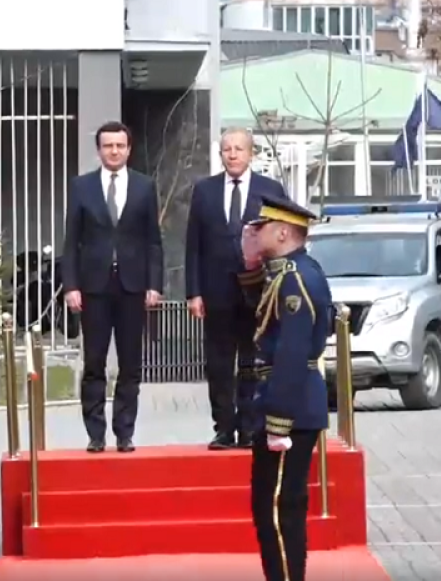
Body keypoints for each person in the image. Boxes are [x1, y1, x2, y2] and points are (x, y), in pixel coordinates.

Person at [61, 120, 164, 453]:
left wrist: (154, 284)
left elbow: (153, 241)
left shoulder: (145, 186)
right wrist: (71, 286)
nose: (114, 151)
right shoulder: (81, 187)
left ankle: (125, 433)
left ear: (128, 149)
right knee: (94, 362)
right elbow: (72, 241)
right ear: (100, 150)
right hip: (94, 287)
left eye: (120, 145)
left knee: (131, 364)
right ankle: (95, 433)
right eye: (108, 146)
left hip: (133, 286)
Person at [184, 127, 289, 450]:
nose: (232, 155)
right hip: (216, 293)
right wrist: (194, 292)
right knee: (218, 364)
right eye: (227, 149)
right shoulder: (204, 191)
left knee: (252, 363)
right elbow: (193, 246)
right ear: (221, 154)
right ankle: (223, 429)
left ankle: (250, 427)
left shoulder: (270, 190)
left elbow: (284, 241)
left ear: (251, 153)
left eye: (238, 149)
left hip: (258, 293)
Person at [246, 194, 331, 581]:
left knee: (279, 510)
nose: (254, 231)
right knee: (272, 507)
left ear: (282, 232)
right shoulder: (286, 271)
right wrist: (250, 264)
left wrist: (278, 421)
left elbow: (293, 352)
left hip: (291, 409)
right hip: (286, 402)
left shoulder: (296, 279)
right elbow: (263, 316)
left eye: (261, 226)